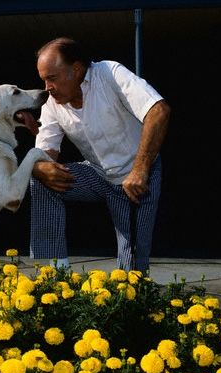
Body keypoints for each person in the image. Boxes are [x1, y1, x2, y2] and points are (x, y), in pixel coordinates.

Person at [30, 37, 170, 272]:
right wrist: (39, 167)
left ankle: (130, 284)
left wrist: (140, 170)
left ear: (75, 69)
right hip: (96, 174)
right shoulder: (52, 102)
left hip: (135, 177)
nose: (47, 88)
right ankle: (52, 273)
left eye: (51, 78)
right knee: (42, 180)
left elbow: (158, 111)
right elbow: (46, 153)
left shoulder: (109, 73)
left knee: (131, 272)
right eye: (43, 80)